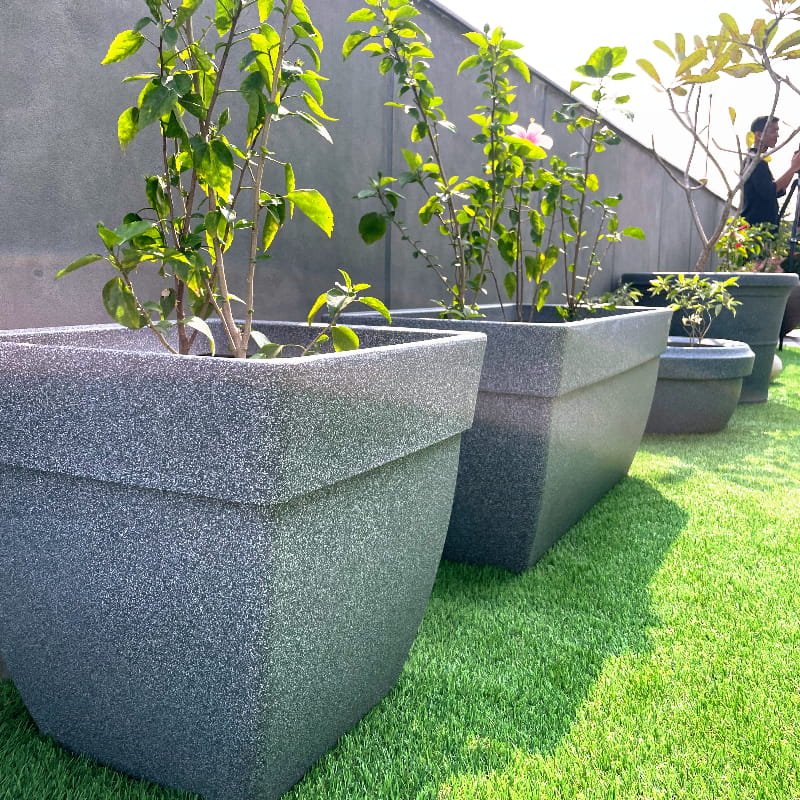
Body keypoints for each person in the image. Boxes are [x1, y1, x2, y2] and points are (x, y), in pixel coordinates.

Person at [740, 116, 800, 239]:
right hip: (756, 233)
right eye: (774, 131)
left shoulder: (757, 161)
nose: (777, 135)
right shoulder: (754, 160)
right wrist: (793, 167)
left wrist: (793, 168)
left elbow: (776, 191)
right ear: (758, 135)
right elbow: (770, 191)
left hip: (761, 232)